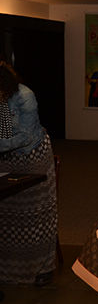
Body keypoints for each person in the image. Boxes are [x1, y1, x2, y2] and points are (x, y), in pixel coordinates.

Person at [0, 59, 58, 286]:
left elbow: (25, 137)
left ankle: (41, 269)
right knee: (6, 215)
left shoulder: (24, 96)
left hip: (32, 157)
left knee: (35, 215)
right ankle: (7, 270)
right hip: (5, 158)